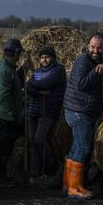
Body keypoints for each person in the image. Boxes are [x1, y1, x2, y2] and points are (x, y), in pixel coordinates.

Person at [62, 34, 103, 200]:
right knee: (83, 148)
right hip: (78, 110)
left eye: (99, 47)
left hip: (89, 111)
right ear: (88, 45)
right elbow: (82, 84)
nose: (95, 50)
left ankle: (68, 184)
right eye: (92, 46)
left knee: (76, 147)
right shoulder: (82, 61)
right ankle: (74, 188)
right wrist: (95, 72)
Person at [0, 38, 25, 183]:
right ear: (15, 53)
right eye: (19, 53)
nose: (19, 56)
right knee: (1, 149)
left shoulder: (6, 67)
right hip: (4, 117)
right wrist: (14, 112)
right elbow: (4, 95)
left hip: (3, 115)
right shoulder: (4, 70)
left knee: (2, 147)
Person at [25, 45, 65, 182]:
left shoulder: (58, 71)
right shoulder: (36, 72)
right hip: (34, 110)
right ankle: (35, 174)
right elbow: (28, 87)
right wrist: (38, 91)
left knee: (39, 140)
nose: (44, 60)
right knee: (33, 142)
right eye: (42, 57)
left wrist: (34, 86)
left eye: (47, 57)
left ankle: (50, 170)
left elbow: (45, 84)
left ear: (53, 58)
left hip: (48, 111)